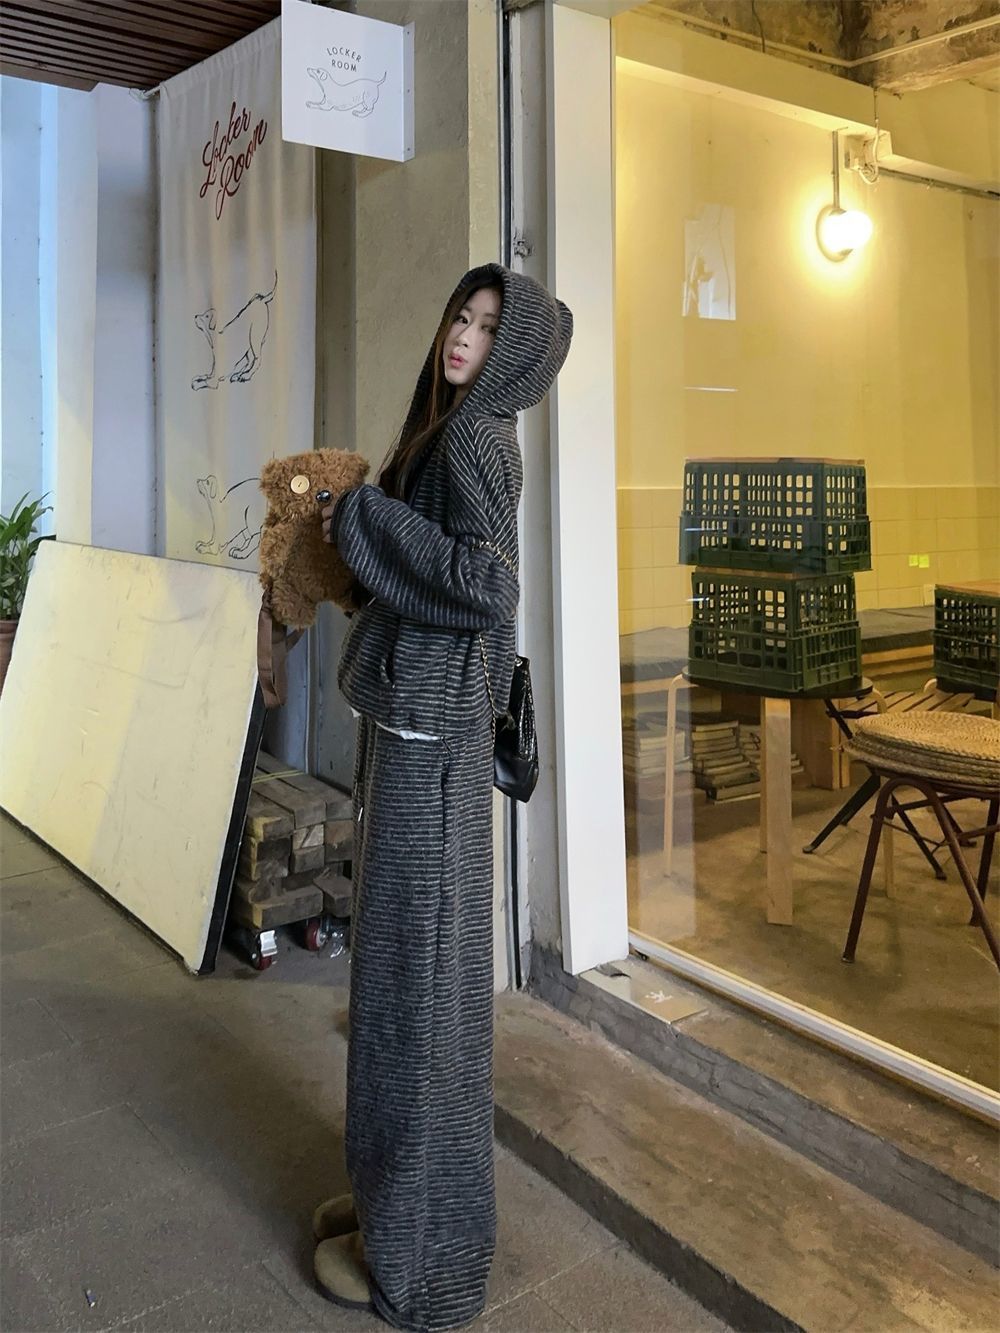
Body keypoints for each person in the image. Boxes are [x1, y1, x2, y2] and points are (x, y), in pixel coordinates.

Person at [315, 263, 573, 1332]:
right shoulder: (451, 428)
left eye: (487, 325)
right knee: (400, 986)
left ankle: (420, 1264)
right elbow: (442, 574)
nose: (462, 335)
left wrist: (363, 517)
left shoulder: (475, 440)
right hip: (417, 729)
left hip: (434, 743)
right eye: (460, 316)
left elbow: (485, 583)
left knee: (418, 997)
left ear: (517, 353)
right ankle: (392, 1204)